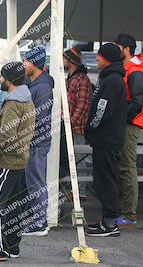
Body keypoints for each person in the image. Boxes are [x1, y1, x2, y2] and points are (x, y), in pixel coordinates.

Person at [0, 62, 35, 262]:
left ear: (9, 80)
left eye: (2, 77)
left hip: (7, 163)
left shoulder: (13, 102)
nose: (0, 80)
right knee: (13, 207)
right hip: (18, 162)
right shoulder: (25, 98)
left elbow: (8, 136)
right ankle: (11, 247)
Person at [85, 43, 127, 237]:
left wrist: (91, 127)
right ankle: (106, 222)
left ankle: (110, 224)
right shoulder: (111, 79)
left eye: (99, 56)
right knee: (105, 180)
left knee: (106, 181)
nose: (96, 59)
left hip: (107, 140)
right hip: (107, 139)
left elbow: (102, 111)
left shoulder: (112, 81)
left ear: (107, 58)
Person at [22, 46, 54, 236]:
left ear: (35, 63)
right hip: (32, 141)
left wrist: (25, 136)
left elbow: (39, 117)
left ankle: (39, 222)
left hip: (36, 141)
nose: (24, 64)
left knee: (36, 182)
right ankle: (35, 218)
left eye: (26, 60)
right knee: (32, 181)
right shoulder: (35, 83)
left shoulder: (42, 86)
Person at [115, 33, 143, 227]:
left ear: (126, 49)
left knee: (127, 166)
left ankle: (129, 214)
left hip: (130, 124)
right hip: (128, 122)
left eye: (118, 46)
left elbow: (138, 100)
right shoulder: (128, 68)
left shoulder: (134, 70)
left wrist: (123, 118)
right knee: (123, 166)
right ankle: (125, 210)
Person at [60, 47, 92, 201]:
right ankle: (74, 190)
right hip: (70, 126)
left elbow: (83, 105)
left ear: (71, 61)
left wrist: (70, 123)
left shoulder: (81, 79)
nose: (62, 60)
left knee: (79, 159)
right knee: (72, 158)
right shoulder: (72, 77)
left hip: (77, 128)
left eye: (64, 57)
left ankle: (81, 192)